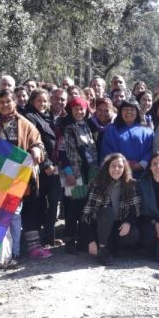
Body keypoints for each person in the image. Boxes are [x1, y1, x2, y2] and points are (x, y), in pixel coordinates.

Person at [0, 89, 46, 261]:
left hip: (17, 178)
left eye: (8, 101)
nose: (4, 105)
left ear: (15, 103)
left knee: (14, 215)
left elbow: (38, 143)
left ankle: (15, 251)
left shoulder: (25, 124)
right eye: (1, 102)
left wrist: (35, 149)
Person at [59, 96, 103, 254]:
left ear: (86, 110)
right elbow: (63, 153)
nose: (79, 112)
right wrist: (69, 172)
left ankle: (84, 240)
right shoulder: (67, 128)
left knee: (87, 206)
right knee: (74, 207)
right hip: (76, 173)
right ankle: (70, 240)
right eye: (76, 109)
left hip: (90, 171)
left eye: (82, 109)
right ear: (71, 110)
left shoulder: (89, 127)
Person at [82, 153, 141, 265]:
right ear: (107, 167)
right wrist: (90, 240)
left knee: (134, 234)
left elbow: (135, 210)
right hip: (99, 226)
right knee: (107, 212)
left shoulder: (131, 184)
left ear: (124, 169)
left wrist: (128, 222)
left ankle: (112, 247)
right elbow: (87, 214)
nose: (116, 169)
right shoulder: (96, 184)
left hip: (117, 226)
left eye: (120, 167)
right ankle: (103, 250)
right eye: (113, 166)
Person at [22, 88, 60, 254]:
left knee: (52, 204)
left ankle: (49, 237)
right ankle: (37, 241)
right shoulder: (30, 118)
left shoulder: (49, 117)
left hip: (53, 168)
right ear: (32, 101)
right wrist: (46, 164)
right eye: (39, 101)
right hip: (42, 169)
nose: (43, 104)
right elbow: (36, 143)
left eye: (45, 101)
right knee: (38, 204)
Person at [100, 98, 154, 178]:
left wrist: (142, 164)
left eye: (132, 109)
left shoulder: (147, 131)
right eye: (125, 109)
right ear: (120, 112)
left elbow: (151, 149)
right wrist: (122, 164)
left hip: (142, 174)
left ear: (137, 112)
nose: (128, 112)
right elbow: (107, 151)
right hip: (118, 173)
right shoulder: (111, 130)